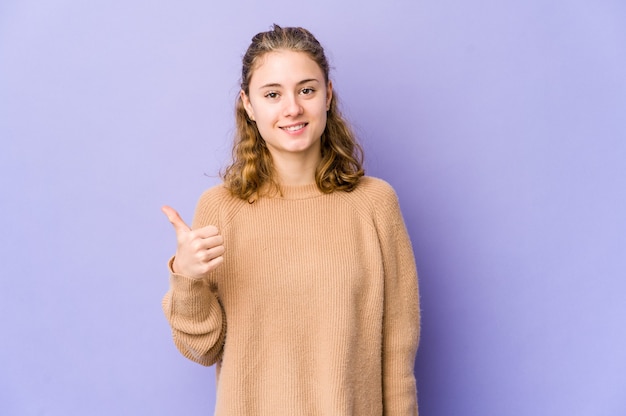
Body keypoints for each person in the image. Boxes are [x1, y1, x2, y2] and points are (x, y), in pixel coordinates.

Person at [161, 24, 420, 415]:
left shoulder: (375, 204)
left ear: (327, 96)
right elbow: (202, 349)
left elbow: (398, 355)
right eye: (272, 94)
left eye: (307, 90)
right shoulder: (219, 209)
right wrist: (187, 277)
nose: (292, 108)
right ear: (248, 105)